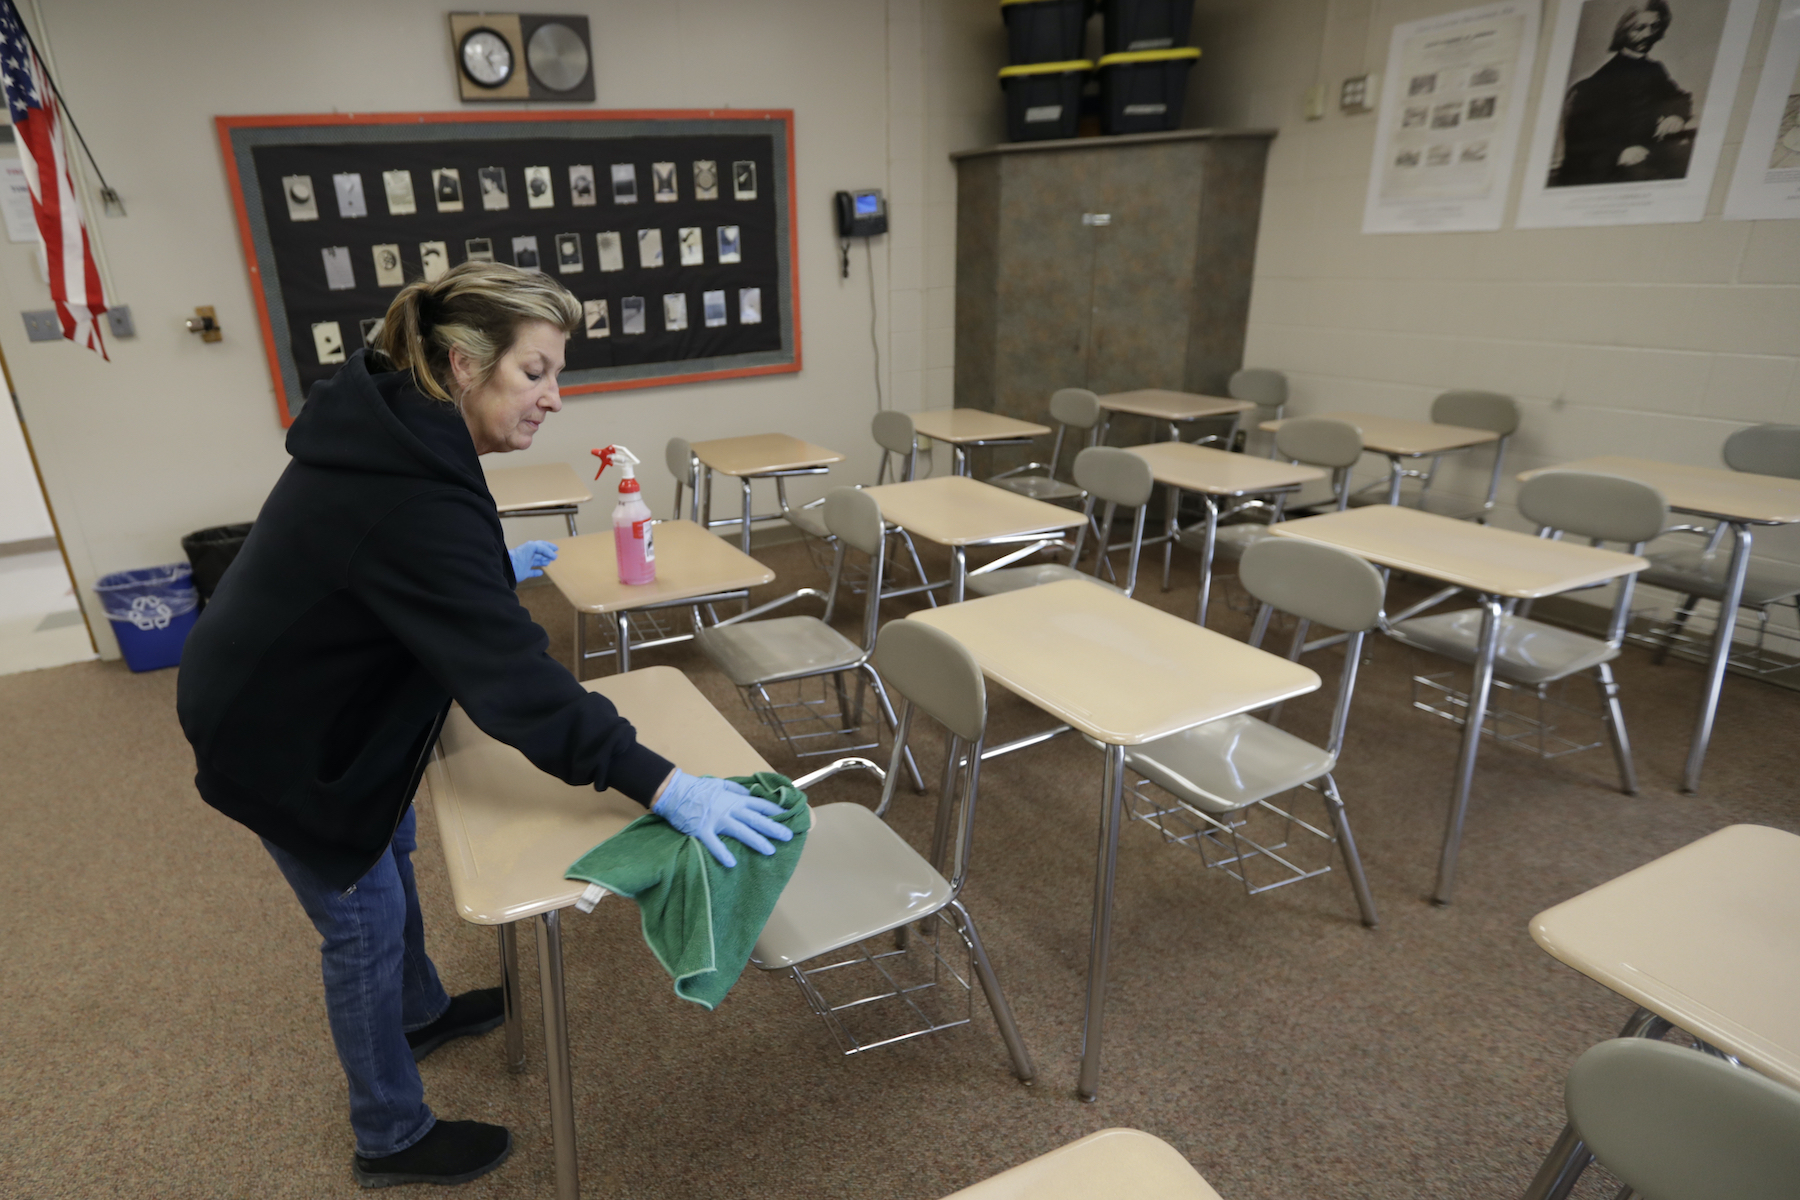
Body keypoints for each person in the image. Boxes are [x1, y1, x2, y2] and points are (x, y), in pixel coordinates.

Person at [176, 262, 792, 1188]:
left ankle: (421, 1011)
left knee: (390, 844)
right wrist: (668, 785)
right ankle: (389, 1136)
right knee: (361, 922)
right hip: (280, 736)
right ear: (464, 364)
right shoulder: (412, 487)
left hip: (313, 694)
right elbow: (517, 689)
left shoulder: (396, 427)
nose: (554, 397)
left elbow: (378, 561)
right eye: (536, 372)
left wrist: (476, 567)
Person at [1550, 0, 1696, 187]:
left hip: (1649, 155)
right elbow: (1580, 139)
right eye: (1639, 28)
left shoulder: (1654, 69)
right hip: (1608, 167)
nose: (1648, 35)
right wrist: (1619, 153)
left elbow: (1680, 97)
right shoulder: (1600, 81)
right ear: (1623, 31)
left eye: (1654, 27)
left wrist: (1674, 115)